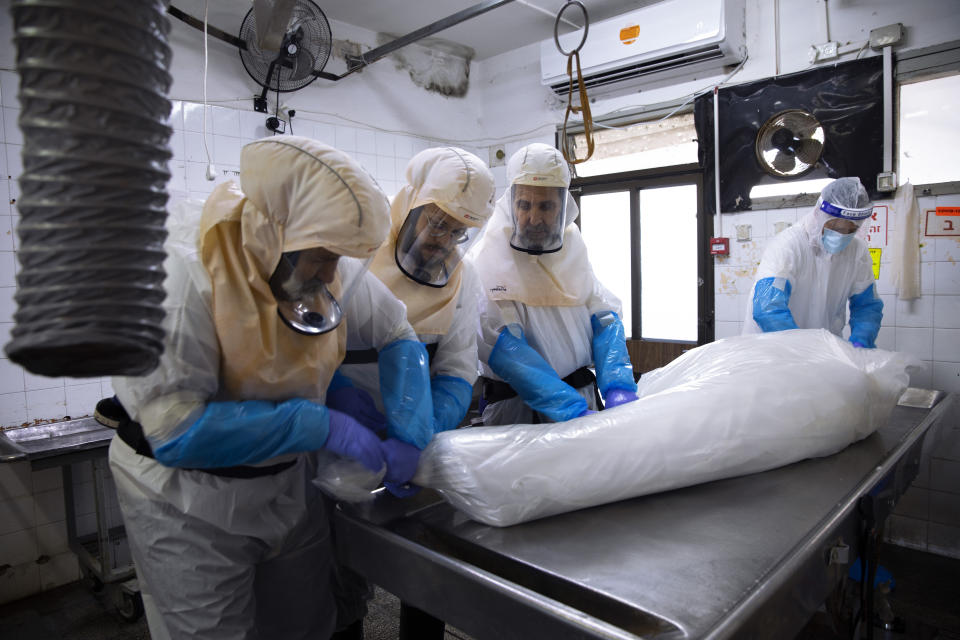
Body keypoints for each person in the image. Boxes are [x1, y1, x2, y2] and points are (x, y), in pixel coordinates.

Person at [108, 136, 429, 640]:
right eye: (322, 257)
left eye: (340, 260)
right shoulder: (178, 276)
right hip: (187, 501)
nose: (330, 276)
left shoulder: (321, 259)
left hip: (283, 485)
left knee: (305, 626)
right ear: (274, 231)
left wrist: (410, 426)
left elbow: (398, 334)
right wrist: (315, 422)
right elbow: (173, 431)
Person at [328, 146, 495, 639]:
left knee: (427, 567)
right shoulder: (354, 256)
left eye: (457, 230)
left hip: (412, 449)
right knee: (336, 573)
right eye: (434, 223)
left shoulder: (464, 281)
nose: (441, 241)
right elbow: (311, 346)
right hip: (339, 441)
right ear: (410, 205)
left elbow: (458, 366)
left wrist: (426, 426)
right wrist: (339, 400)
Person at [468, 143, 638, 426]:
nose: (534, 218)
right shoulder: (487, 259)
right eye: (524, 205)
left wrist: (618, 385)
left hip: (583, 399)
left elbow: (604, 317)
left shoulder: (572, 251)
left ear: (563, 206)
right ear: (511, 203)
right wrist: (567, 408)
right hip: (516, 414)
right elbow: (504, 348)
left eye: (546, 206)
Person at [743, 176, 883, 347]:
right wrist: (803, 349)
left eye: (851, 230)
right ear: (819, 214)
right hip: (775, 351)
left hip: (823, 353)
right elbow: (768, 308)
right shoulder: (789, 246)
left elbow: (867, 307)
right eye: (836, 228)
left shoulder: (857, 251)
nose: (842, 235)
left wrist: (861, 343)